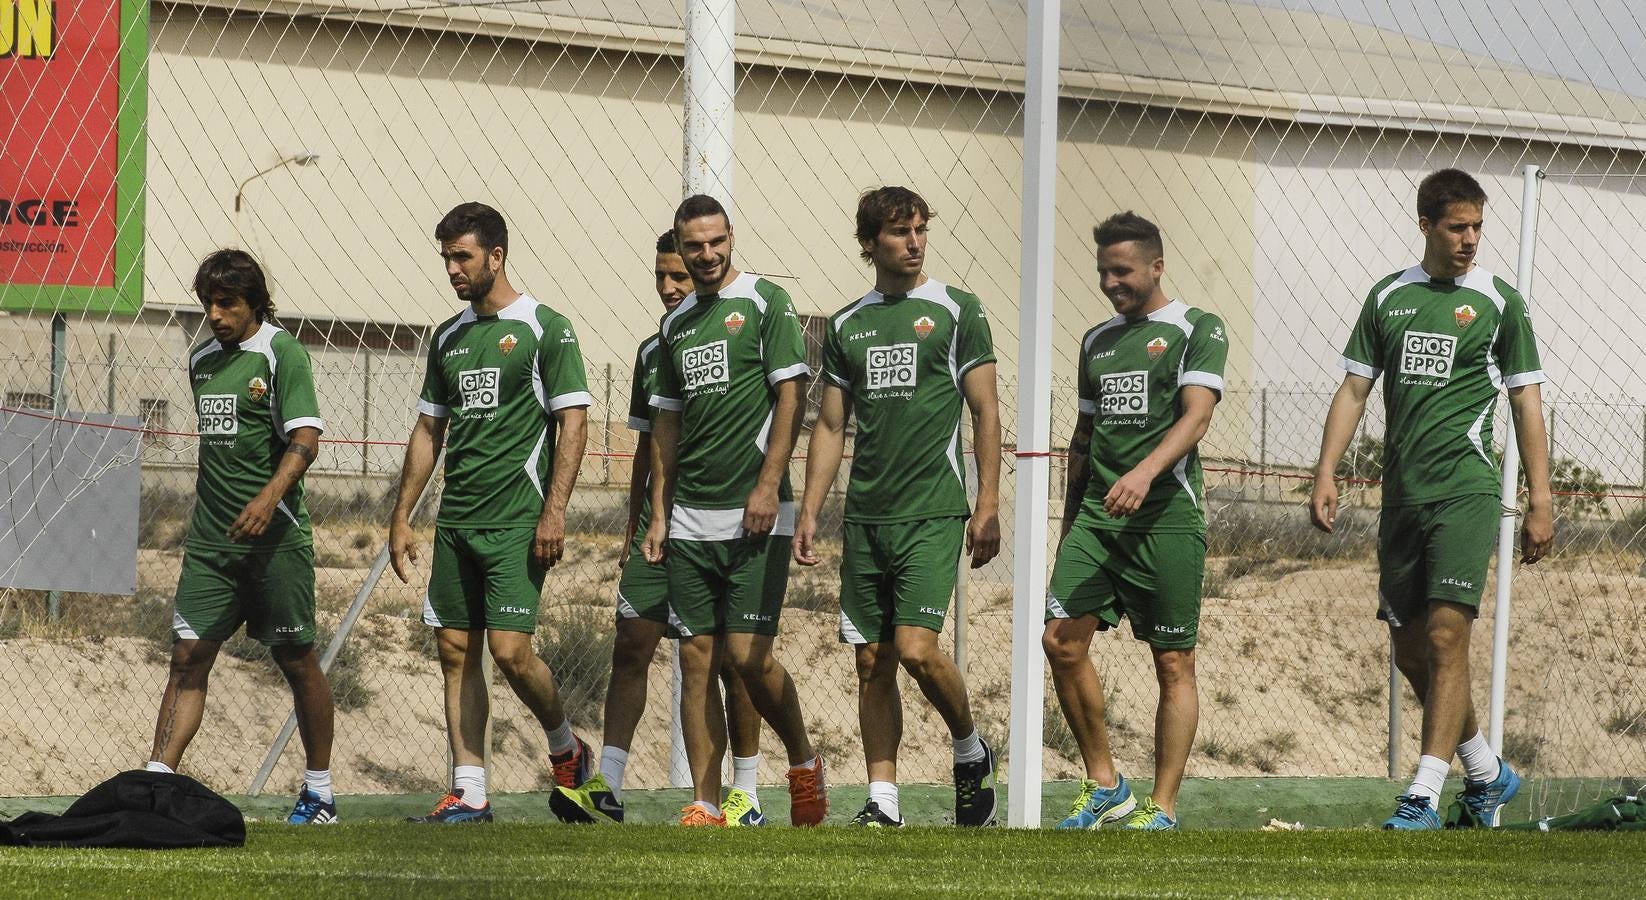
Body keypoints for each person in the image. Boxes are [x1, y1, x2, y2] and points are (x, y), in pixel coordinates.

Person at [1310, 168, 1553, 830]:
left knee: (1449, 636)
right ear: (1426, 226)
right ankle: (1485, 771)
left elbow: (1527, 400)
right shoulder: (1389, 296)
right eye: (1457, 227)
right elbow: (1355, 390)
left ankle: (1421, 792)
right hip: (1403, 500)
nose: (1471, 239)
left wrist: (1541, 497)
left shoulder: (1500, 302)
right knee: (1412, 650)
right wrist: (1326, 470)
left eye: (1478, 226)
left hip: (1466, 491)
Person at [794, 187, 1002, 827]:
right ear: (869, 244)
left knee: (915, 649)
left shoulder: (955, 310)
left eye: (920, 231)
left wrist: (986, 500)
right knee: (870, 660)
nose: (914, 243)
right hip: (866, 519)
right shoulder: (849, 323)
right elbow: (830, 425)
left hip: (933, 512)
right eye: (899, 233)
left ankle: (969, 750)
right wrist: (809, 510)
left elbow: (986, 409)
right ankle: (883, 800)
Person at [551, 230, 769, 826]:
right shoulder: (656, 350)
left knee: (730, 661)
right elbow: (649, 448)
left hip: (727, 522)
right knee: (633, 643)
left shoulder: (749, 318)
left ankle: (744, 791)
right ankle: (608, 785)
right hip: (660, 525)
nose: (671, 287)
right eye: (661, 277)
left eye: (679, 275)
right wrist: (636, 523)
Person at [389, 202, 594, 823]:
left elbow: (573, 420)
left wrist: (554, 510)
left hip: (516, 522)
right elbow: (430, 429)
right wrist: (403, 516)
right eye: (446, 257)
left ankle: (567, 748)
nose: (452, 268)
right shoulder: (446, 337)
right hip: (455, 524)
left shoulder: (544, 327)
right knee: (455, 649)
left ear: (496, 256)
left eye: (463, 256)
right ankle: (471, 789)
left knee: (510, 652)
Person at [642, 194, 827, 827]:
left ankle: (802, 761)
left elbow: (791, 397)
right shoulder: (674, 326)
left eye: (716, 242)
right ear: (681, 247)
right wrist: (659, 513)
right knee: (696, 659)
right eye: (694, 246)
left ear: (730, 238)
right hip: (691, 519)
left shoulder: (765, 301)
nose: (707, 255)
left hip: (756, 516)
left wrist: (767, 484)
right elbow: (665, 424)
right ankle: (706, 802)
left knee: (748, 658)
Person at [1044, 212, 1226, 832]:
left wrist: (1146, 472)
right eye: (1102, 271)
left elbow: (1197, 417)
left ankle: (1163, 807)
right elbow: (1083, 436)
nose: (1110, 282)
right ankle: (1105, 785)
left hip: (1167, 516)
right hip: (1098, 518)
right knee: (1060, 641)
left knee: (1172, 662)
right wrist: (1070, 524)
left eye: (1121, 271)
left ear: (1156, 266)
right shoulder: (1096, 341)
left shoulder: (1197, 328)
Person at [146, 248, 337, 825]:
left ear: (253, 301)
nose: (216, 315)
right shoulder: (202, 358)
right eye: (208, 304)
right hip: (211, 544)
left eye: (226, 303)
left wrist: (268, 497)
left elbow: (305, 436)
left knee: (296, 658)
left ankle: (320, 792)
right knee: (187, 657)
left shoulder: (282, 354)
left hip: (274, 542)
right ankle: (157, 784)